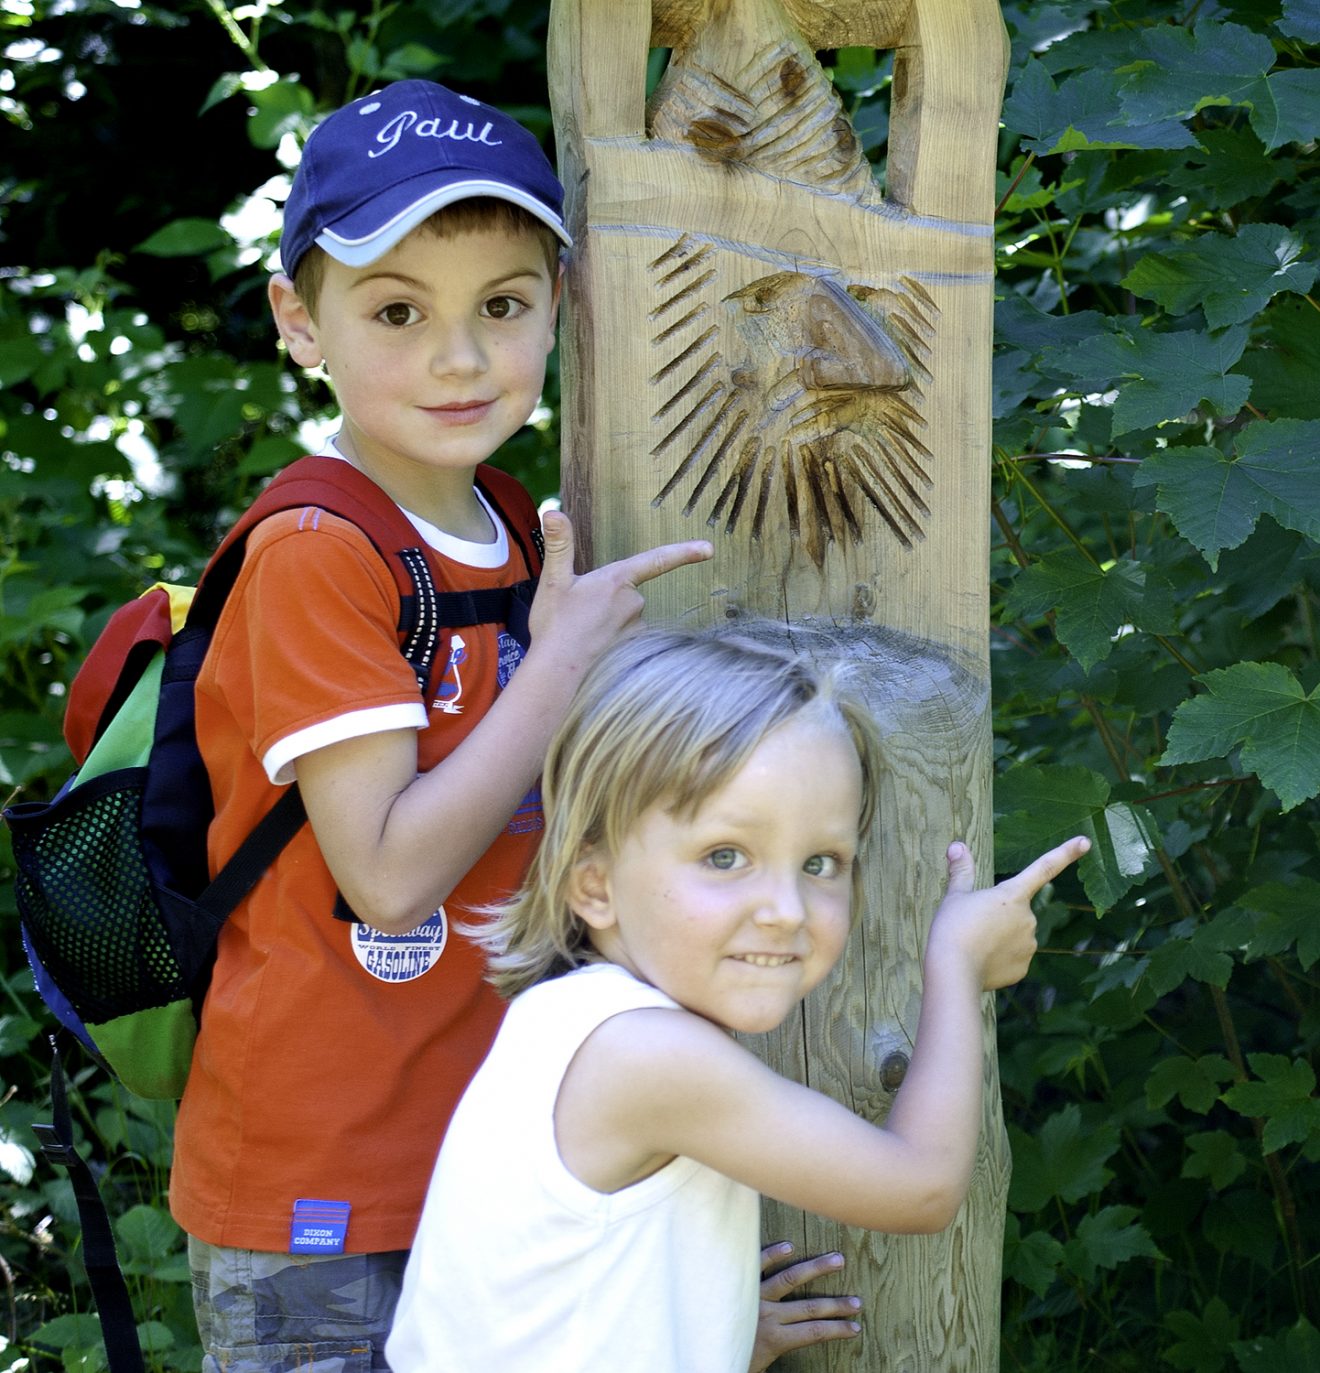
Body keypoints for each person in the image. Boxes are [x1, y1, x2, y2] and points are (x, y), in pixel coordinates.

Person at [170, 78, 855, 1372]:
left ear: (560, 304)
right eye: (396, 311)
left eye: (502, 305)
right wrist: (565, 660)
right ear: (296, 320)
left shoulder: (511, 519)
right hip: (327, 1189)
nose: (459, 357)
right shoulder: (321, 551)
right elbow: (384, 874)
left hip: (489, 1145)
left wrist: (681, 1312)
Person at [386, 628, 1091, 1373]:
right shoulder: (649, 1056)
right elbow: (922, 1187)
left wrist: (707, 1332)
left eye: (821, 862)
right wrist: (957, 963)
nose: (786, 908)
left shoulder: (564, 1020)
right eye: (725, 856)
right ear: (593, 884)